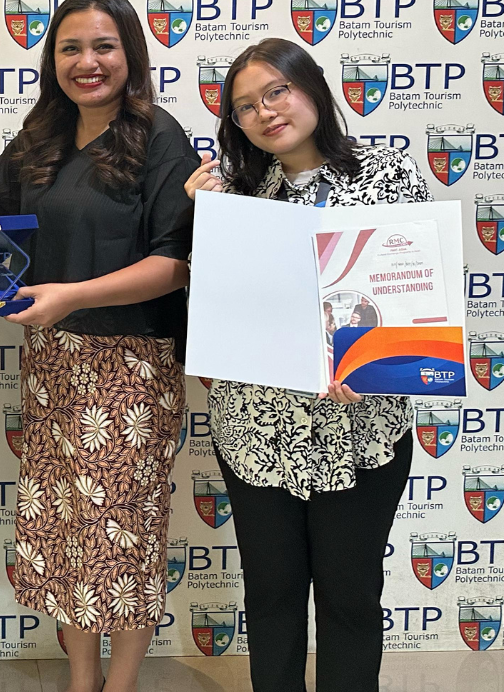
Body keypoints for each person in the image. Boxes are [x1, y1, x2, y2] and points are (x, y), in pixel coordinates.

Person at [0, 0, 197, 692]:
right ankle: (81, 679)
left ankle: (121, 685)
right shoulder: (46, 130)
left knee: (124, 536)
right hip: (51, 361)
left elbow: (175, 264)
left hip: (131, 365)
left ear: (130, 53)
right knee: (68, 530)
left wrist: (73, 294)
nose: (86, 62)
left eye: (103, 46)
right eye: (70, 48)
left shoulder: (160, 137)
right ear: (53, 59)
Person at [184, 37, 429, 692]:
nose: (264, 112)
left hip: (362, 430)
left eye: (276, 91)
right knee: (271, 597)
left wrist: (374, 365)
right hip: (256, 434)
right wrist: (200, 219)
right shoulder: (236, 195)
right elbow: (213, 307)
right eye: (245, 107)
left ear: (311, 86)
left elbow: (414, 289)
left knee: (351, 597)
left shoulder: (388, 173)